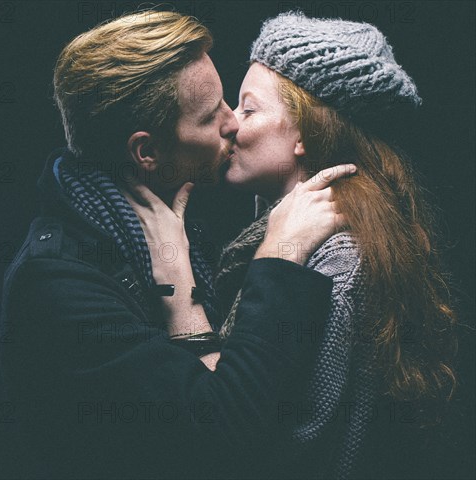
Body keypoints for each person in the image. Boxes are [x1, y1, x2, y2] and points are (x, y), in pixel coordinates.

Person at [0, 10, 355, 479]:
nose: (234, 124)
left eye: (233, 103)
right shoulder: (59, 287)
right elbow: (221, 439)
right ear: (147, 153)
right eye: (211, 116)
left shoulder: (173, 221)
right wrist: (280, 253)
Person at [131, 11, 458, 480]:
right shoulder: (292, 234)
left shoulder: (336, 264)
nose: (229, 125)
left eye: (248, 108)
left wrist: (181, 290)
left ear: (304, 133)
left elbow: (271, 454)